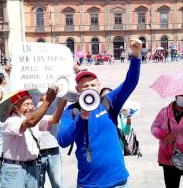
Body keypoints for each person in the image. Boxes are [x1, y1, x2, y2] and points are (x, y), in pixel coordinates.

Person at [57, 38, 142, 188]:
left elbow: (130, 83)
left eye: (92, 85)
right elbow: (63, 140)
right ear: (77, 90)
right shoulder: (72, 111)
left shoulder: (108, 101)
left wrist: (135, 57)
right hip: (89, 183)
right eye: (84, 86)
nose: (89, 88)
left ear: (99, 86)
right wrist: (82, 117)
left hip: (118, 181)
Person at [0, 86, 60, 188]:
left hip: (33, 167)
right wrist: (48, 101)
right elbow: (30, 122)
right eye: (26, 104)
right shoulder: (11, 121)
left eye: (32, 104)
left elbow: (54, 119)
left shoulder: (34, 119)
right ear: (15, 107)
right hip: (15, 169)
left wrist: (63, 101)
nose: (30, 107)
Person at [35, 95, 68, 188]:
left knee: (57, 183)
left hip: (53, 147)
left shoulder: (56, 96)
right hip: (35, 151)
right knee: (38, 184)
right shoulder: (31, 99)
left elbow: (65, 99)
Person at [100, 87, 132, 154]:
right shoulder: (96, 114)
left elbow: (126, 132)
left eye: (109, 96)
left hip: (118, 151)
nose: (106, 100)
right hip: (102, 151)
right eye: (104, 97)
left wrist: (128, 118)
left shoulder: (120, 114)